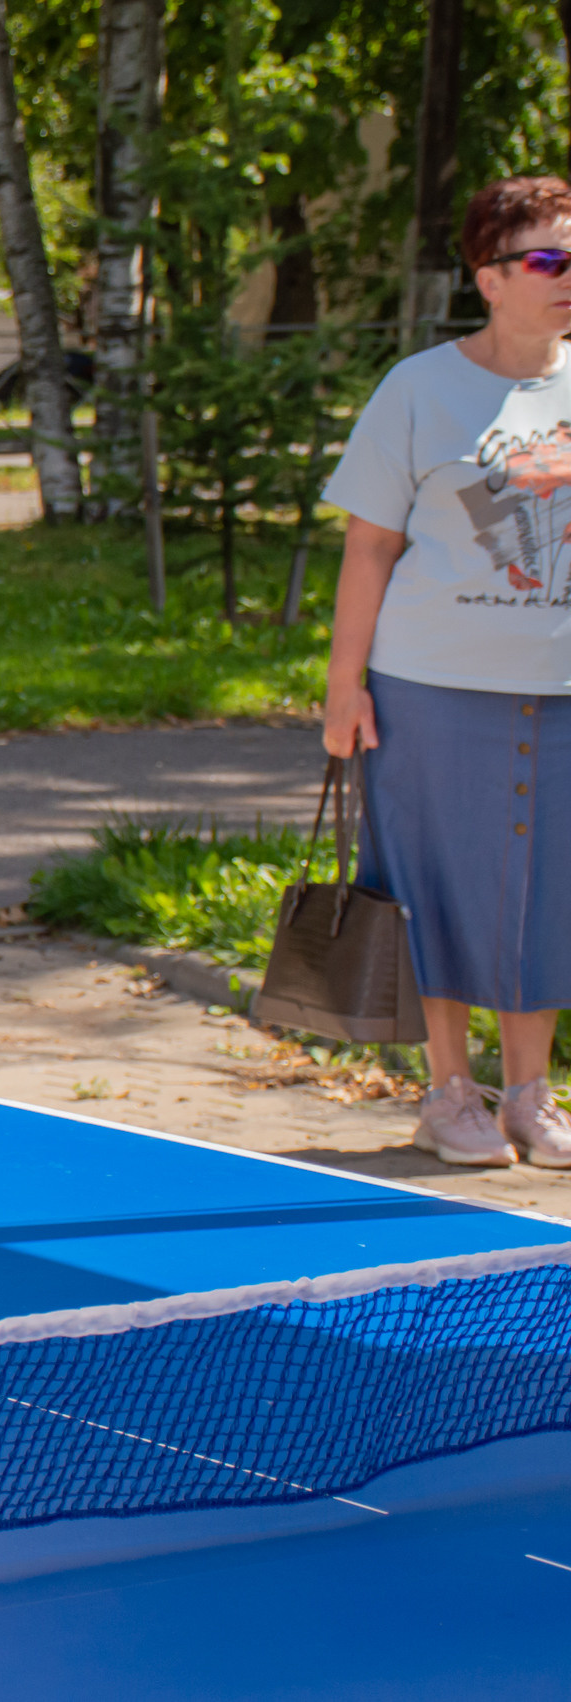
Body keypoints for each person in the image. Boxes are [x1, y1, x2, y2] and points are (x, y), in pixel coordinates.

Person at [320, 174, 571, 1169]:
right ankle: (448, 1092)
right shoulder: (419, 389)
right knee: (436, 887)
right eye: (547, 260)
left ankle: (528, 1096)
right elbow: (368, 548)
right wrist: (345, 689)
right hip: (426, 685)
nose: (566, 279)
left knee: (545, 890)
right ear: (490, 276)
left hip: (559, 688)